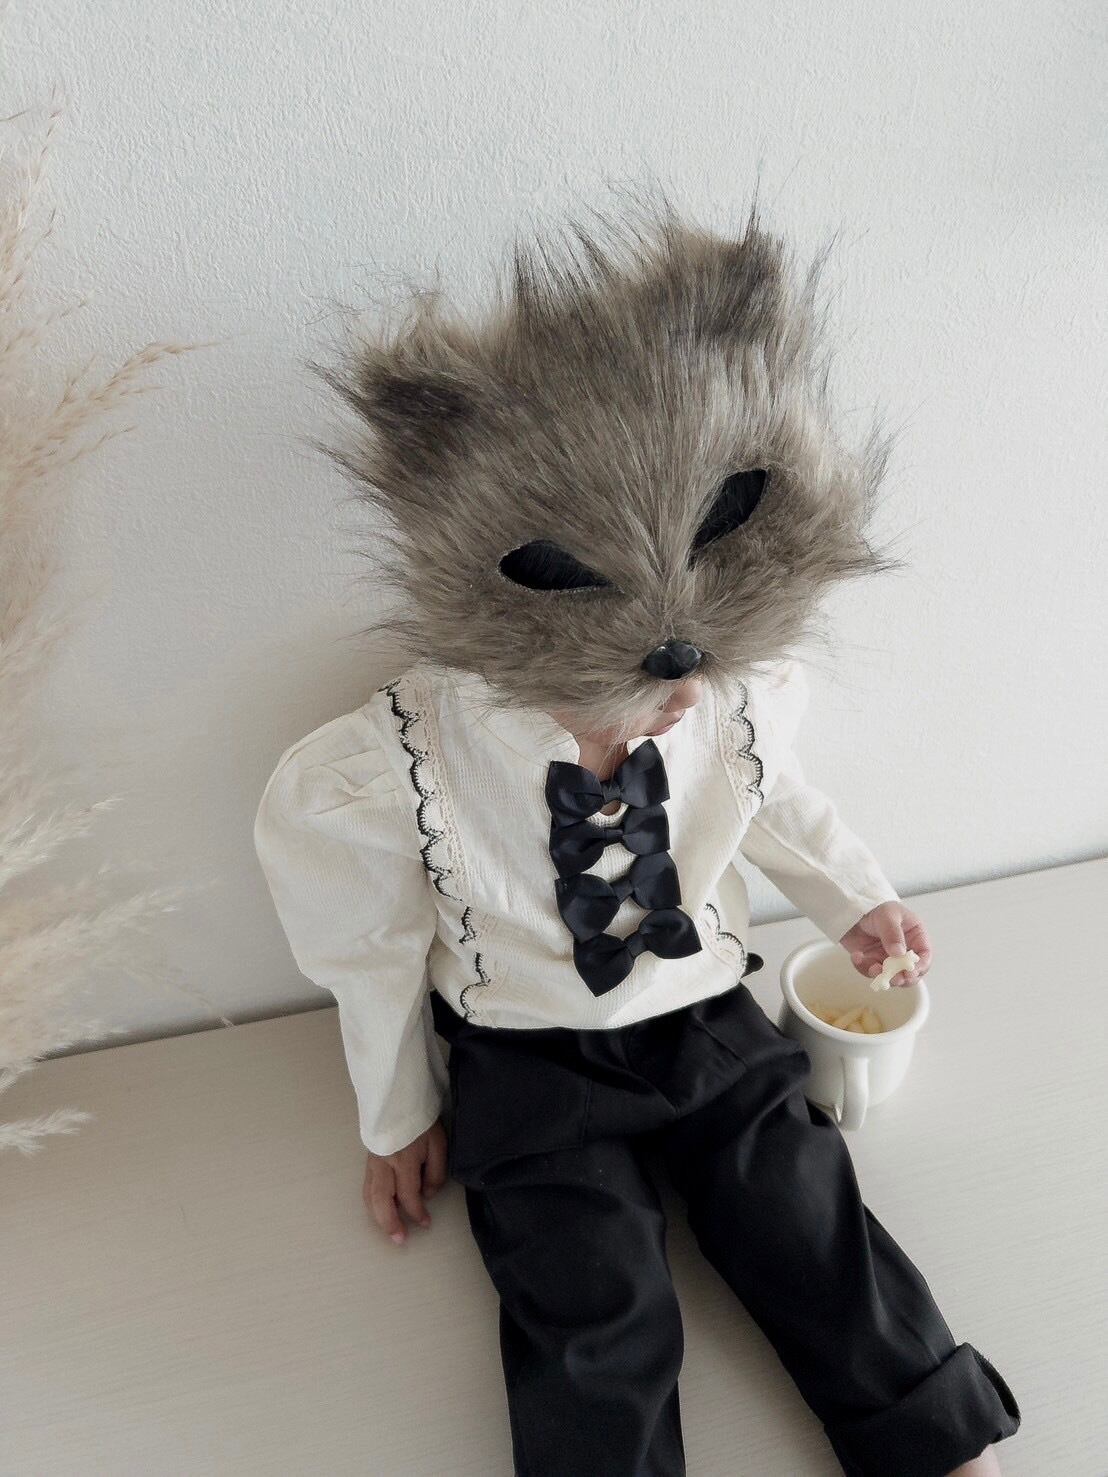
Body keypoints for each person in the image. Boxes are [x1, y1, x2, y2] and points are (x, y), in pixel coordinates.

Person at [253, 201, 1021, 1475]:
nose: (681, 698)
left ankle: (931, 1434)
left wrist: (858, 902)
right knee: (589, 1305)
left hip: (706, 1014)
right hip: (526, 1060)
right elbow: (370, 949)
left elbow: (774, 798)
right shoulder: (402, 760)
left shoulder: (724, 698)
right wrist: (396, 1113)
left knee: (806, 1214)